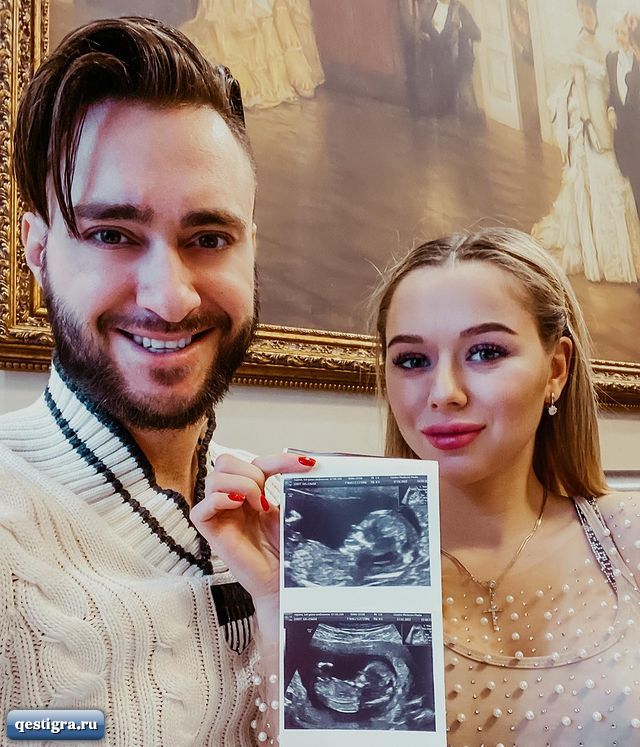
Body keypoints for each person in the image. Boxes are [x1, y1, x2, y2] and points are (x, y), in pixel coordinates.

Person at [1, 16, 314, 745]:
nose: (170, 299)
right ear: (38, 249)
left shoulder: (287, 522)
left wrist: (291, 616)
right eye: (113, 234)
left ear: (251, 247)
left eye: (208, 239)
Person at [372, 226, 640, 744]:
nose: (444, 393)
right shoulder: (349, 562)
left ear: (556, 369)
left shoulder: (628, 540)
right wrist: (275, 609)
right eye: (412, 360)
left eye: (485, 352)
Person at [533, 0, 640, 283]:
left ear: (595, 12)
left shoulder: (606, 43)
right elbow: (580, 89)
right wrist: (589, 122)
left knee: (620, 175)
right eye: (581, 12)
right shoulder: (578, 46)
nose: (586, 16)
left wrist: (610, 111)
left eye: (589, 11)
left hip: (609, 112)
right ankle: (604, 256)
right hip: (592, 114)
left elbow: (614, 84)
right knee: (598, 177)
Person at [399, 0, 482, 119]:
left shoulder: (458, 9)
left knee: (444, 65)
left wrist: (460, 29)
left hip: (453, 53)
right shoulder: (431, 6)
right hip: (432, 51)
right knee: (415, 55)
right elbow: (422, 27)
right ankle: (424, 105)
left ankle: (445, 106)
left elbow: (476, 34)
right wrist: (422, 34)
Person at [606, 11, 640, 212]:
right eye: (617, 32)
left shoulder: (638, 59)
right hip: (623, 137)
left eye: (624, 33)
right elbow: (612, 91)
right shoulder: (611, 59)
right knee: (634, 184)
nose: (619, 37)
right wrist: (610, 108)